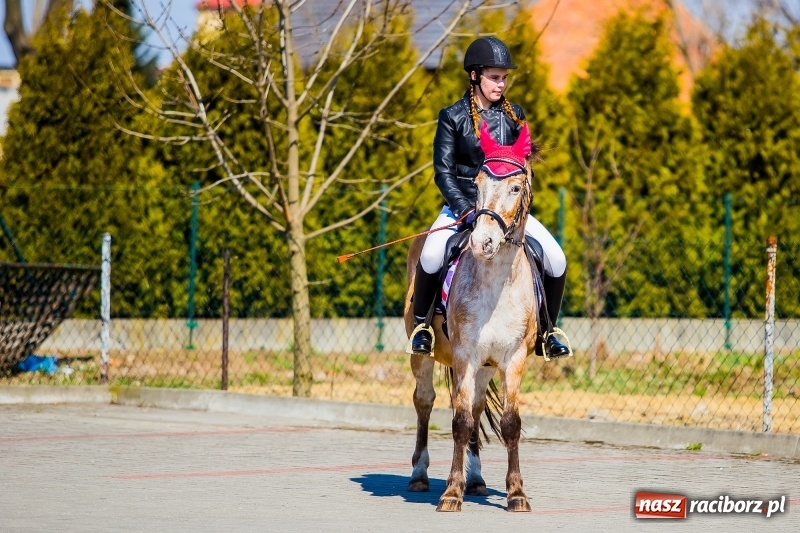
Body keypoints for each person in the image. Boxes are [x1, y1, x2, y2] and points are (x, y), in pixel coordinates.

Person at [410, 36, 571, 359]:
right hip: (464, 207)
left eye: (504, 78)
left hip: (505, 214)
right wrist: (465, 209)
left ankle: (548, 331)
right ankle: (423, 326)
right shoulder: (452, 117)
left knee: (556, 258)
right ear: (474, 76)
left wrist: (514, 211)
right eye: (494, 77)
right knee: (430, 255)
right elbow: (443, 172)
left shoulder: (514, 116)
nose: (501, 84)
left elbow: (524, 170)